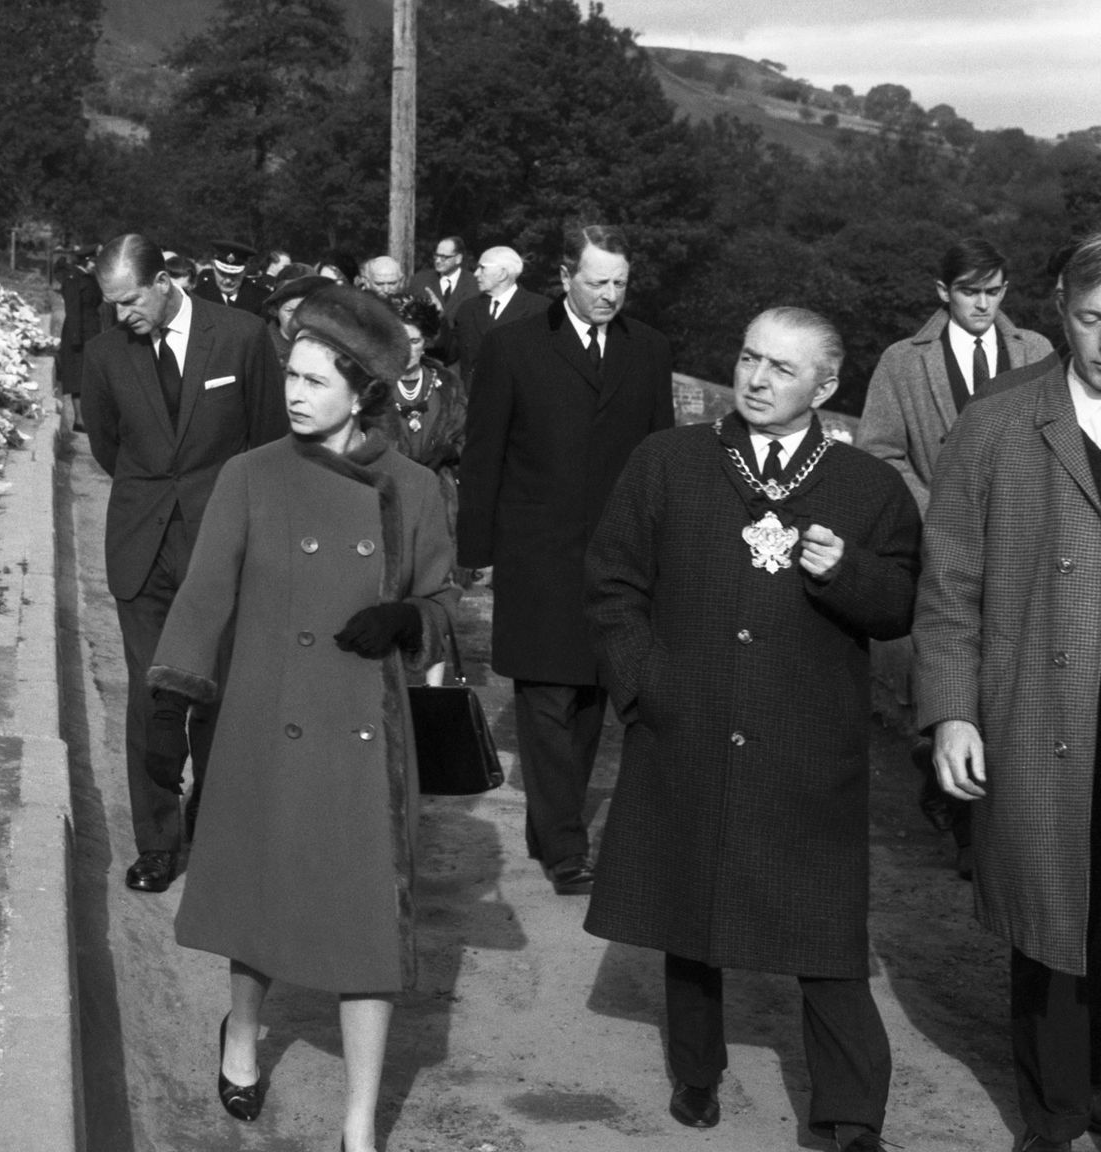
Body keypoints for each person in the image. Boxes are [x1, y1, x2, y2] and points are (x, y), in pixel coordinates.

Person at [585, 307, 920, 1152]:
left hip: (807, 744)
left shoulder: (867, 488)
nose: (757, 379)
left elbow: (900, 606)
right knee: (689, 907)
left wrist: (847, 572)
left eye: (781, 368)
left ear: (826, 387)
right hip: (686, 725)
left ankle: (851, 1115)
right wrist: (646, 690)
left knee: (827, 933)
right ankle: (696, 1071)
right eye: (747, 358)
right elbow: (613, 582)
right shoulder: (669, 461)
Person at [145, 285, 458, 1152]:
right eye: (291, 374)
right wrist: (172, 700)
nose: (294, 393)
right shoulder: (251, 475)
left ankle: (359, 1123)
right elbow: (204, 596)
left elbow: (443, 600)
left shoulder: (414, 489)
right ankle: (242, 1035)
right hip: (266, 722)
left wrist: (409, 618)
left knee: (370, 925)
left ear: (364, 393)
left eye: (317, 381)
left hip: (368, 737)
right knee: (262, 899)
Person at [916, 232, 1101, 1152]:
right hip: (1042, 709)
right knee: (1051, 920)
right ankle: (1055, 1115)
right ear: (1062, 314)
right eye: (1095, 320)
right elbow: (949, 582)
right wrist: (953, 710)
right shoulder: (999, 420)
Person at [458, 223, 674, 895]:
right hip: (537, 554)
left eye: (620, 283)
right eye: (597, 281)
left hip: (619, 556)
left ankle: (550, 826)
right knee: (548, 696)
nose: (609, 294)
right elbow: (483, 452)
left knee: (589, 700)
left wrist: (665, 548)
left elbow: (661, 456)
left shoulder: (648, 350)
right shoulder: (513, 347)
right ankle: (564, 846)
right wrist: (476, 551)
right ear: (565, 278)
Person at [81, 233, 288, 894]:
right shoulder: (105, 353)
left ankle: (217, 820)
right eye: (111, 304)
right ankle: (157, 844)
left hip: (222, 545)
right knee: (153, 697)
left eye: (130, 300)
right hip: (141, 549)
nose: (122, 315)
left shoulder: (241, 337)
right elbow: (108, 447)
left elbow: (269, 437)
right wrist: (153, 495)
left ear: (164, 282)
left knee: (217, 695)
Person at [858, 238, 1055, 880]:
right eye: (970, 292)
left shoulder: (1037, 351)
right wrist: (938, 512)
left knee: (1012, 678)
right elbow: (878, 452)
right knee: (951, 662)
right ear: (943, 292)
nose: (983, 304)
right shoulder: (902, 361)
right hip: (941, 543)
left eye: (994, 292)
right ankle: (967, 826)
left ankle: (981, 811)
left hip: (1022, 543)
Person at [390, 295, 467, 522]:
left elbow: (467, 438)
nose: (406, 350)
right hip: (388, 497)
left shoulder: (449, 385)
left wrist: (448, 452)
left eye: (414, 341)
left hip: (438, 500)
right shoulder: (374, 386)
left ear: (426, 342)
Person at [447, 246, 548, 372]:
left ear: (502, 274)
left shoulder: (540, 309)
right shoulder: (467, 308)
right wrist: (435, 317)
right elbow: (449, 354)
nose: (476, 273)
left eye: (482, 268)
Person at [57, 245, 105, 433]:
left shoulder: (88, 278)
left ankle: (86, 417)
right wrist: (76, 338)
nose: (96, 265)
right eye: (94, 262)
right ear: (86, 261)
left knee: (87, 376)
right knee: (77, 377)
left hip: (91, 331)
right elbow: (73, 309)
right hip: (78, 332)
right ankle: (79, 420)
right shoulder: (73, 279)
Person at [260, 274, 334, 365]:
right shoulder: (261, 346)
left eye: (305, 310)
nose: (298, 318)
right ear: (274, 311)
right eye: (290, 311)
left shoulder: (324, 347)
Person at [195, 241, 272, 314]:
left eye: (234, 275)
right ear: (214, 267)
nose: (228, 281)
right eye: (222, 274)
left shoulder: (261, 299)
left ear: (244, 270)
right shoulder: (198, 297)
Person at [428, 236, 478, 324]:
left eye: (444, 257)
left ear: (458, 259)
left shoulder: (474, 285)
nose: (438, 261)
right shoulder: (420, 280)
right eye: (436, 255)